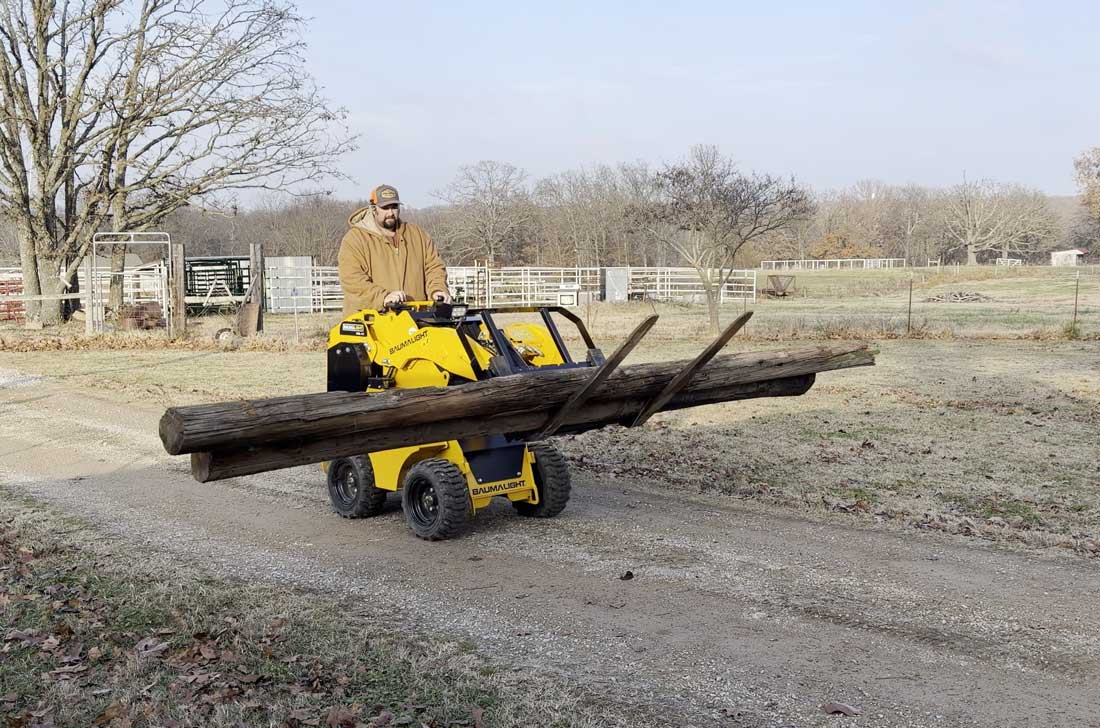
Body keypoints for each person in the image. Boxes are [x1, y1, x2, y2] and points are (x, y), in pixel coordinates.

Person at [337, 184, 452, 315]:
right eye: (385, 208)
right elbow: (352, 280)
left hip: (415, 322)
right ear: (373, 208)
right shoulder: (355, 239)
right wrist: (383, 297)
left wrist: (437, 290)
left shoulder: (418, 235)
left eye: (394, 207)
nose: (390, 213)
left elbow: (434, 267)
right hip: (373, 323)